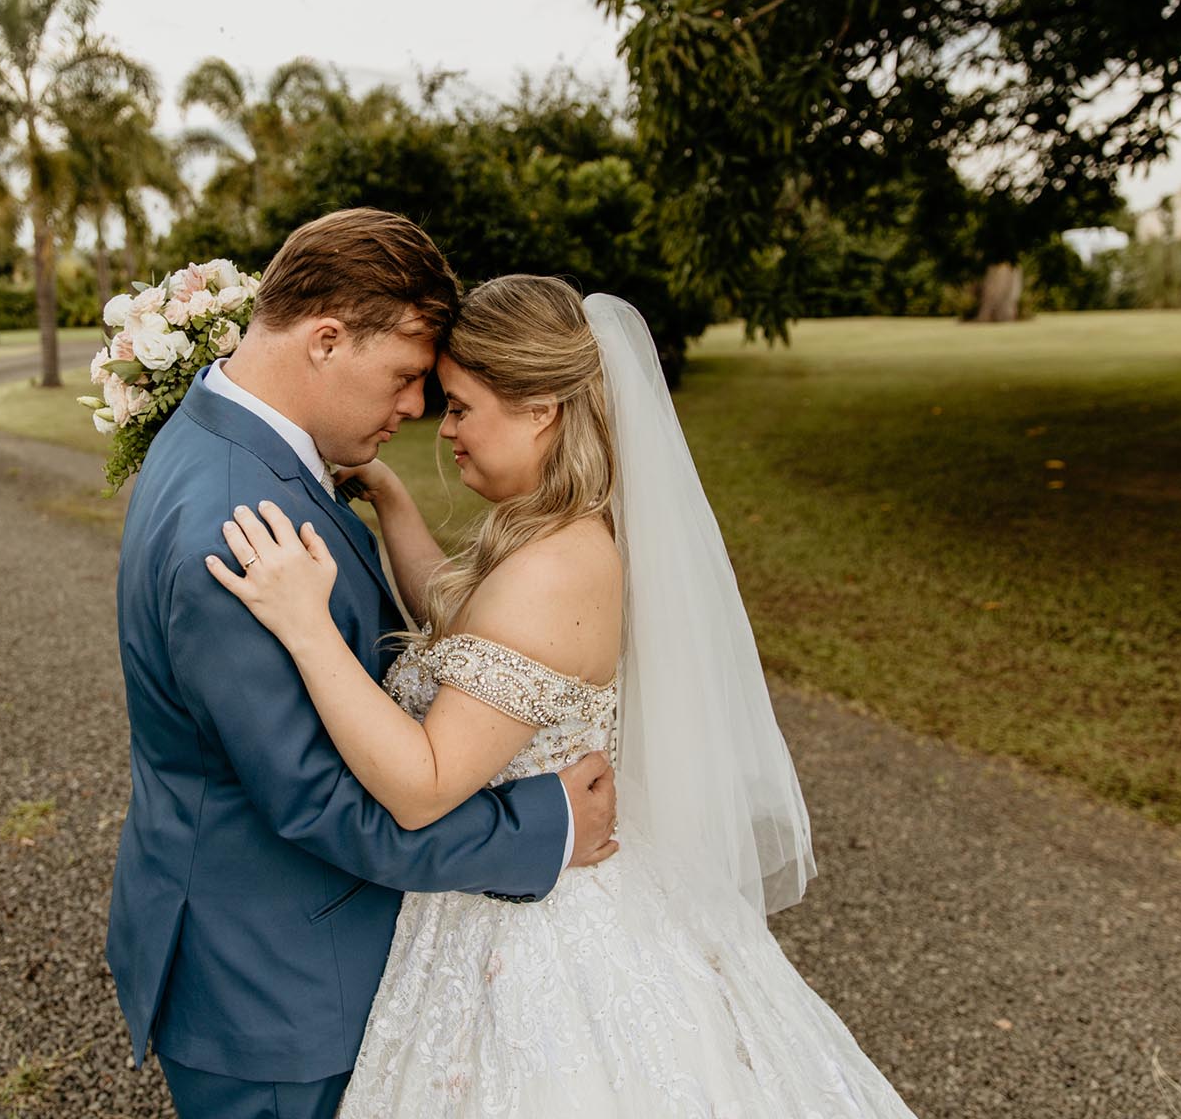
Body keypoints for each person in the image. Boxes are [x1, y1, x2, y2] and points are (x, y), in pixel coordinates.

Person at [208, 275, 921, 1117]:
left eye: (463, 406)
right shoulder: (561, 529)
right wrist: (392, 499)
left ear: (541, 408)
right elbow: (470, 628)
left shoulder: (552, 572)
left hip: (535, 926)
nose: (447, 430)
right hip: (517, 879)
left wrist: (307, 628)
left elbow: (422, 783)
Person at [106, 214, 620, 1119]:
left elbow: (445, 635)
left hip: (282, 950)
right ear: (326, 341)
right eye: (409, 379)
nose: (419, 411)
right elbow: (319, 802)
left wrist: (383, 505)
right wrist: (545, 827)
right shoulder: (239, 534)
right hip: (274, 989)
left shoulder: (239, 450)